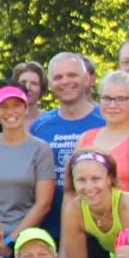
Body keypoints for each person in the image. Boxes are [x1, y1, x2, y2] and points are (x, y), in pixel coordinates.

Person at [0, 84, 56, 242]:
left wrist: (11, 241)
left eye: (16, 105)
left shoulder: (41, 149)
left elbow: (43, 204)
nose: (10, 112)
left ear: (26, 108)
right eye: (3, 107)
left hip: (24, 239)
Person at [75, 72, 129, 198]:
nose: (112, 105)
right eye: (107, 98)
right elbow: (71, 193)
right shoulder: (85, 139)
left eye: (121, 99)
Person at [28, 53, 103, 189]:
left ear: (86, 79)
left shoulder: (105, 121)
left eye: (72, 75)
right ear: (50, 84)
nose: (65, 81)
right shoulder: (39, 126)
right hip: (49, 209)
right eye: (58, 77)